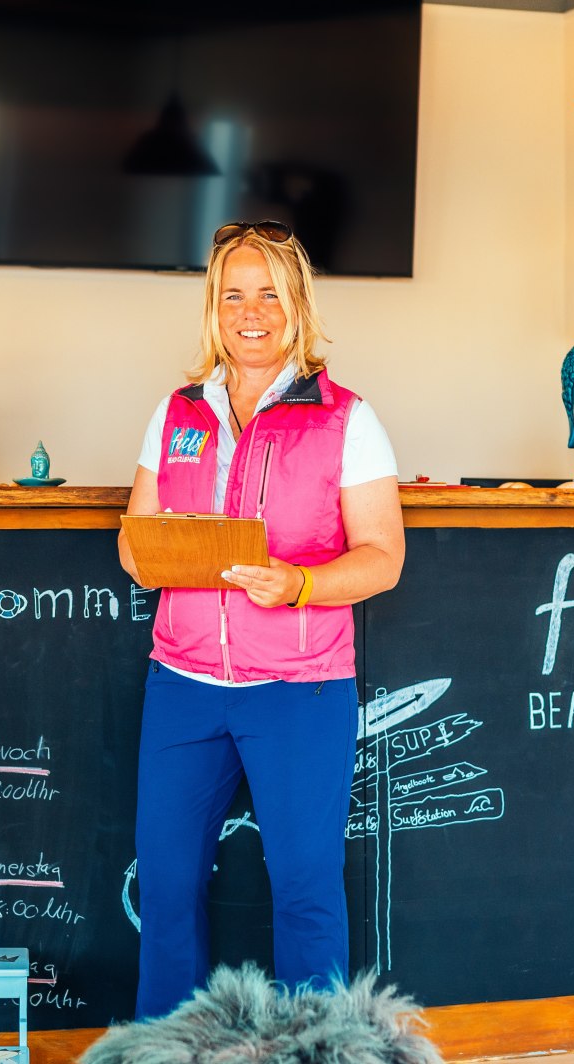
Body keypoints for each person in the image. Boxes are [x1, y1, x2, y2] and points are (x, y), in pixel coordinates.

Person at [117, 221, 404, 1019]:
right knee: (166, 885)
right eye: (234, 294)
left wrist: (298, 583)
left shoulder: (348, 418)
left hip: (299, 690)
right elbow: (133, 541)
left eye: (269, 294)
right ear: (215, 307)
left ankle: (320, 1047)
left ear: (297, 305)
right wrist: (154, 555)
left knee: (306, 888)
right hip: (182, 684)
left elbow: (383, 557)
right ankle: (170, 1048)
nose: (251, 312)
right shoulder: (177, 412)